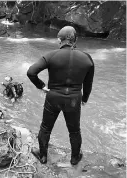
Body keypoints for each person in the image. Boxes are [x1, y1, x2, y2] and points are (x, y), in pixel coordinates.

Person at [27, 26, 94, 165]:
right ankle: (74, 158)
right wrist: (85, 99)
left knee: (45, 127)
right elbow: (88, 84)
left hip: (53, 97)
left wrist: (41, 86)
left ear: (60, 40)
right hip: (74, 99)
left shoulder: (51, 55)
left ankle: (43, 156)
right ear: (75, 40)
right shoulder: (87, 58)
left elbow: (31, 72)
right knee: (74, 131)